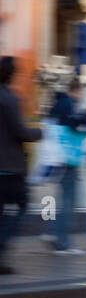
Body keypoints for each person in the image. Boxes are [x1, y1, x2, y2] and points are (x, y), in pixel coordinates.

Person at [0, 56, 43, 274]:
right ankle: (2, 248)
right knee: (21, 205)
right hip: (9, 167)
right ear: (11, 75)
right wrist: (40, 132)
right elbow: (21, 132)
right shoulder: (9, 99)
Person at [49, 77, 86, 254]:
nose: (82, 96)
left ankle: (54, 235)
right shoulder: (68, 104)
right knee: (68, 200)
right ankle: (62, 242)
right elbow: (73, 125)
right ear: (77, 90)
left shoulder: (59, 103)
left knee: (65, 199)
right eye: (81, 92)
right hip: (68, 159)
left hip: (59, 158)